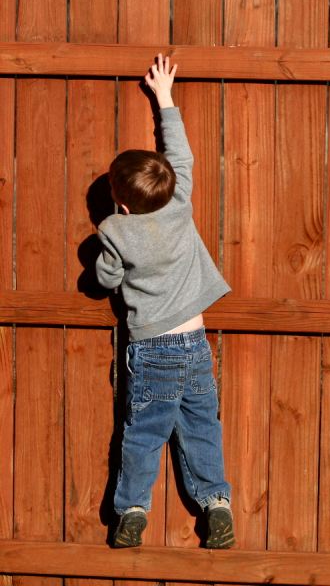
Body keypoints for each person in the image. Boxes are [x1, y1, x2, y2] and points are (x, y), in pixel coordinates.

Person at [96, 54, 234, 548]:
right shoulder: (180, 205)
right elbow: (181, 156)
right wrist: (165, 97)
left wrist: (108, 254)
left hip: (151, 348)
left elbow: (107, 278)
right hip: (194, 341)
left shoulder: (116, 230)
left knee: (143, 433)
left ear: (123, 205)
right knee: (202, 426)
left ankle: (132, 509)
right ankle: (217, 502)